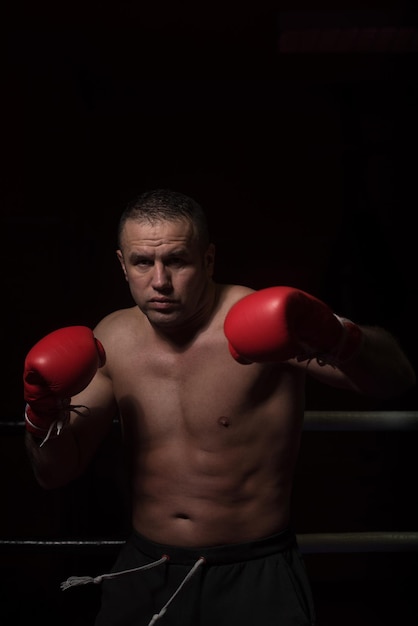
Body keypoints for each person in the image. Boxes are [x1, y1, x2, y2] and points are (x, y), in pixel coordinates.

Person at [24, 188, 416, 626]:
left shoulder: (267, 322)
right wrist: (40, 413)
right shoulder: (112, 339)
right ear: (122, 264)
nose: (160, 281)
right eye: (142, 263)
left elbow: (396, 379)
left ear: (208, 260)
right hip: (148, 566)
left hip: (254, 571)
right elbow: (53, 472)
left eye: (176, 261)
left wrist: (338, 336)